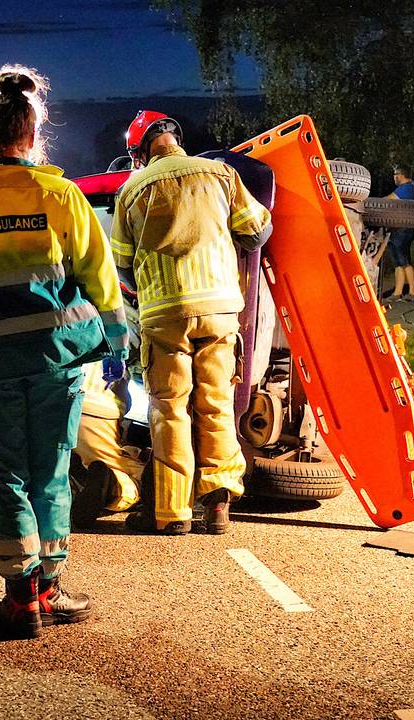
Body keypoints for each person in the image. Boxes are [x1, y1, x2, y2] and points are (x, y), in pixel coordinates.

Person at [0, 66, 127, 638]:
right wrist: (115, 346)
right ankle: (49, 587)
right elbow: (100, 277)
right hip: (57, 359)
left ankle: (19, 599)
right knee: (51, 470)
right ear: (33, 136)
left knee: (5, 474)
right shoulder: (60, 195)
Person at [112, 110, 272, 536]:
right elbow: (256, 231)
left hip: (164, 315)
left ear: (140, 150)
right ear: (173, 138)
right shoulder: (220, 174)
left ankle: (170, 514)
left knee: (169, 409)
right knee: (216, 404)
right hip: (219, 308)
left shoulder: (131, 190)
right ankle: (218, 505)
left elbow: (123, 264)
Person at [69, 359, 144, 529]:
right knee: (140, 477)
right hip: (100, 411)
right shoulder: (121, 336)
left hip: (51, 403)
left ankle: (73, 481)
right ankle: (113, 486)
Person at [385, 164, 414, 301]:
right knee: (398, 261)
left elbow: (389, 199)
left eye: (395, 174)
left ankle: (413, 291)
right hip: (399, 227)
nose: (394, 177)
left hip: (403, 228)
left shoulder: (406, 189)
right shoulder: (407, 188)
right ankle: (398, 292)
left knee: (404, 260)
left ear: (401, 175)